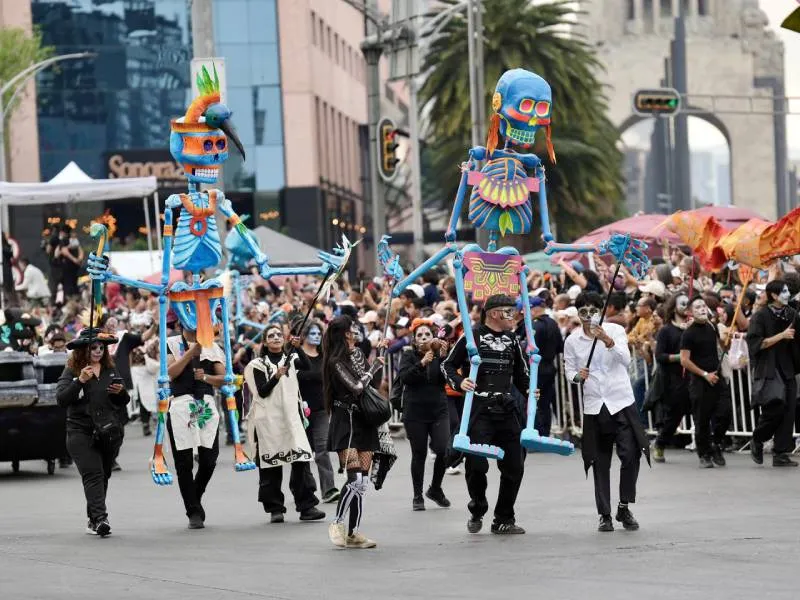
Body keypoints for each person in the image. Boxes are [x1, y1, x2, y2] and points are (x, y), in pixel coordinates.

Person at [441, 294, 529, 535]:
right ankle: (477, 507)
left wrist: (531, 389)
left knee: (515, 465)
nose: (515, 316)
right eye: (509, 311)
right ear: (493, 313)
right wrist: (460, 382)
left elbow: (522, 375)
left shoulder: (513, 341)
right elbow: (446, 365)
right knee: (477, 465)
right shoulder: (472, 338)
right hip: (479, 410)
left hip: (507, 409)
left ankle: (503, 518)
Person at [563, 292, 649, 533]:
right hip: (595, 405)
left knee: (631, 453)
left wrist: (607, 341)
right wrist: (576, 376)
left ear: (602, 311)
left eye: (593, 311)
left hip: (620, 401)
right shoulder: (572, 341)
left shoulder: (616, 330)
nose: (589, 316)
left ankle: (624, 506)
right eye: (583, 311)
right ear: (577, 314)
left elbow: (625, 360)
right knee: (599, 460)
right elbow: (569, 370)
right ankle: (605, 514)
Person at [244, 324, 326, 523]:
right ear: (264, 341)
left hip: (292, 418)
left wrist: (297, 347)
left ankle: (306, 506)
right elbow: (262, 391)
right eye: (271, 335)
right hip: (269, 420)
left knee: (301, 461)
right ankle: (275, 508)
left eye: (279, 334)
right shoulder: (257, 365)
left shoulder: (292, 358)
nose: (275, 338)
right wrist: (276, 376)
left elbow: (307, 366)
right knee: (271, 464)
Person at [56, 328, 129, 536]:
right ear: (82, 350)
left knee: (103, 475)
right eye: (93, 347)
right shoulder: (72, 371)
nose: (98, 351)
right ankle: (101, 519)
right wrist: (79, 380)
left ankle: (92, 518)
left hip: (108, 431)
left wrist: (120, 393)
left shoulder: (110, 370)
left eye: (101, 347)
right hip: (80, 431)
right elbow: (61, 399)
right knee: (93, 474)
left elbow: (123, 401)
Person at [323, 316, 382, 549]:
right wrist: (375, 367)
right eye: (353, 328)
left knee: (364, 482)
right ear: (345, 333)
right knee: (354, 478)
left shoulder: (357, 354)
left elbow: (369, 386)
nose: (356, 331)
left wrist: (375, 360)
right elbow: (356, 387)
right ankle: (336, 523)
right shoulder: (335, 361)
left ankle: (354, 532)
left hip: (364, 421)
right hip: (344, 422)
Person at [165, 322, 225, 529]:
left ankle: (195, 497)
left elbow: (224, 378)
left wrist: (207, 377)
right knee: (184, 462)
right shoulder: (171, 343)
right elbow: (170, 373)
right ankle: (192, 510)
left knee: (209, 459)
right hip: (181, 404)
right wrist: (190, 353)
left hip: (205, 405)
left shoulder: (212, 346)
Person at [397, 318, 451, 511]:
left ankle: (435, 488)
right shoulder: (408, 355)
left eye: (427, 334)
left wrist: (444, 358)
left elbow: (448, 379)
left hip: (438, 409)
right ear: (414, 339)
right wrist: (421, 363)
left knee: (443, 449)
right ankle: (417, 495)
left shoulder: (439, 355)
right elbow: (405, 378)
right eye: (419, 335)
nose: (424, 337)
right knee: (418, 454)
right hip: (415, 411)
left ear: (433, 337)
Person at [746, 280, 800, 467]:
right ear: (774, 295)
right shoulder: (760, 317)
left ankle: (781, 453)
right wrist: (781, 336)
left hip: (787, 368)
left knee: (789, 410)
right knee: (774, 407)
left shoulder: (792, 314)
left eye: (788, 291)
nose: (787, 294)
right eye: (783, 291)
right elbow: (756, 344)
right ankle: (758, 439)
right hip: (768, 367)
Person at [679, 296, 732, 469]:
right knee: (702, 420)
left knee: (725, 413)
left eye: (703, 306)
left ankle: (716, 444)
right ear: (690, 313)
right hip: (700, 381)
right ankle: (704, 454)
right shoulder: (688, 333)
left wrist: (727, 340)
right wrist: (704, 374)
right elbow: (684, 360)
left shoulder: (712, 326)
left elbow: (723, 348)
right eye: (697, 307)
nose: (702, 309)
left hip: (717, 377)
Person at [296, 320, 339, 503]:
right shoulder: (295, 357)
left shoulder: (324, 356)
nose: (316, 336)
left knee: (322, 449)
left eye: (318, 334)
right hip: (299, 410)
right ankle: (303, 489)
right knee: (302, 452)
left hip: (321, 409)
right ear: (304, 335)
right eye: (312, 333)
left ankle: (329, 489)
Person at [652, 293, 690, 463]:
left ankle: (709, 449)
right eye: (683, 304)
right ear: (674, 307)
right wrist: (679, 358)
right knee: (675, 415)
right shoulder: (666, 331)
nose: (686, 307)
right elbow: (660, 355)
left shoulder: (694, 328)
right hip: (674, 380)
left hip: (695, 377)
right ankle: (660, 443)